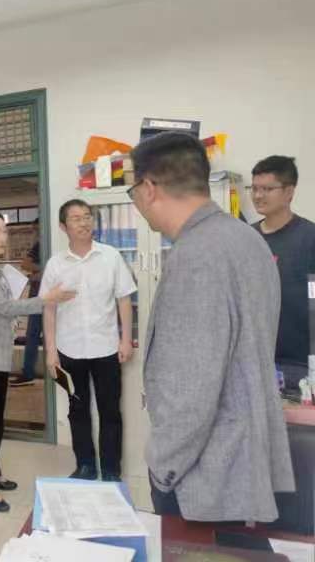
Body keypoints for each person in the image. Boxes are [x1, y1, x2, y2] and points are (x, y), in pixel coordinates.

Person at [129, 132, 294, 521]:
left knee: (199, 548)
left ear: (149, 188)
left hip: (205, 475)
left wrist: (164, 468)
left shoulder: (196, 255)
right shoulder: (246, 237)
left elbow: (191, 389)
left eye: (133, 192)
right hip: (246, 460)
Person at [0, 209, 75, 513]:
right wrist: (46, 300)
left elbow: (6, 301)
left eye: (4, 231)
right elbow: (5, 307)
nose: (4, 237)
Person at [40, 200, 136, 482]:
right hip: (68, 351)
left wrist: (126, 340)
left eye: (87, 217)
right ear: (63, 226)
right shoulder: (56, 264)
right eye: (76, 218)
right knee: (77, 410)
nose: (83, 223)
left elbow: (124, 300)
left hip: (106, 349)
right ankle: (85, 466)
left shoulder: (110, 256)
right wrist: (51, 352)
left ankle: (111, 469)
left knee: (110, 411)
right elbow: (48, 308)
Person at [250, 155, 315, 389]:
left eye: (267, 189)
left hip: (300, 364)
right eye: (254, 188)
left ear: (289, 192)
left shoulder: (309, 237)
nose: (258, 195)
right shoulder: (246, 238)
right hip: (253, 360)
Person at [10, 218, 42, 388]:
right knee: (32, 335)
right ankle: (28, 372)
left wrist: (41, 271)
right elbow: (26, 265)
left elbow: (27, 264)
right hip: (38, 295)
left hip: (42, 296)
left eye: (37, 229)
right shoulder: (41, 245)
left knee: (34, 335)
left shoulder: (43, 245)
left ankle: (29, 373)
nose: (36, 233)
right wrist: (43, 270)